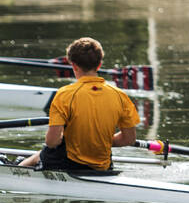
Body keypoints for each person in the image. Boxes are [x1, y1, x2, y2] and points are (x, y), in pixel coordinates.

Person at [20, 37, 139, 172]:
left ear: (74, 66)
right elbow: (129, 139)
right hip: (102, 166)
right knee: (43, 154)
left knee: (44, 152)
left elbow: (52, 141)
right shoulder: (120, 95)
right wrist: (97, 140)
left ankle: (17, 170)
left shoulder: (65, 94)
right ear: (99, 65)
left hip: (68, 164)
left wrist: (83, 140)